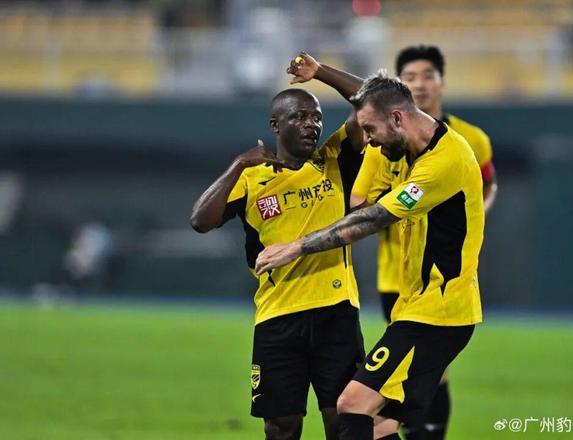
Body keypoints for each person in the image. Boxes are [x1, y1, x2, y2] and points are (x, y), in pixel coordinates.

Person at [255, 62, 485, 440]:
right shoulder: (400, 142)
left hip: (440, 313)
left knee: (352, 404)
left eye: (371, 131)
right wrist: (320, 72)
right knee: (377, 428)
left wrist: (295, 247)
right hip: (417, 306)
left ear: (397, 119)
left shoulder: (445, 161)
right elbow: (377, 100)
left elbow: (371, 219)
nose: (368, 140)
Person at [190, 85, 365, 440]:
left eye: (317, 117)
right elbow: (200, 221)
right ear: (275, 124)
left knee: (343, 419)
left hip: (336, 311)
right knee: (281, 426)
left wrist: (319, 73)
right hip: (277, 317)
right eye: (299, 116)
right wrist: (239, 164)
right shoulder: (252, 178)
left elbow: (370, 97)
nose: (312, 124)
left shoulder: (334, 158)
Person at [350, 44, 498, 439]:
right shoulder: (385, 141)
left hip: (441, 283)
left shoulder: (467, 141)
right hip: (397, 276)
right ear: (401, 87)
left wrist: (468, 214)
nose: (420, 84)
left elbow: (487, 185)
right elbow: (360, 203)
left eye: (427, 75)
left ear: (442, 82)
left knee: (423, 376)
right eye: (410, 77)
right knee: (400, 388)